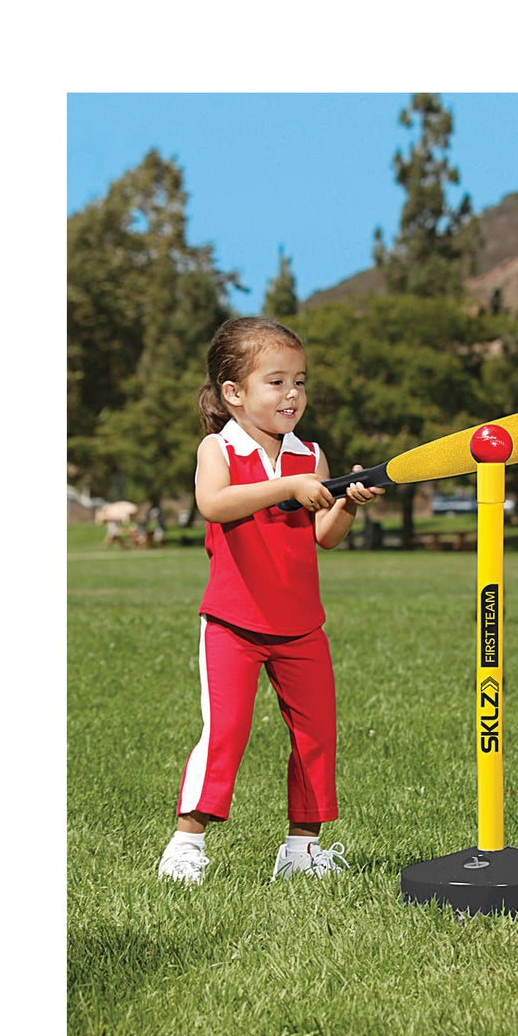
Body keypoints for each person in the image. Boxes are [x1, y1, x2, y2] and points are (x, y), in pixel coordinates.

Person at [156, 317, 385, 887]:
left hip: (302, 626)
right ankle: (186, 845)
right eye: (276, 382)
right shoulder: (219, 449)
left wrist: (347, 502)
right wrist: (285, 488)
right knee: (226, 731)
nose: (292, 396)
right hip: (233, 623)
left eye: (300, 383)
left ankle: (301, 851)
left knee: (316, 733)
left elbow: (323, 536)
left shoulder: (311, 455)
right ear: (233, 393)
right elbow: (213, 504)